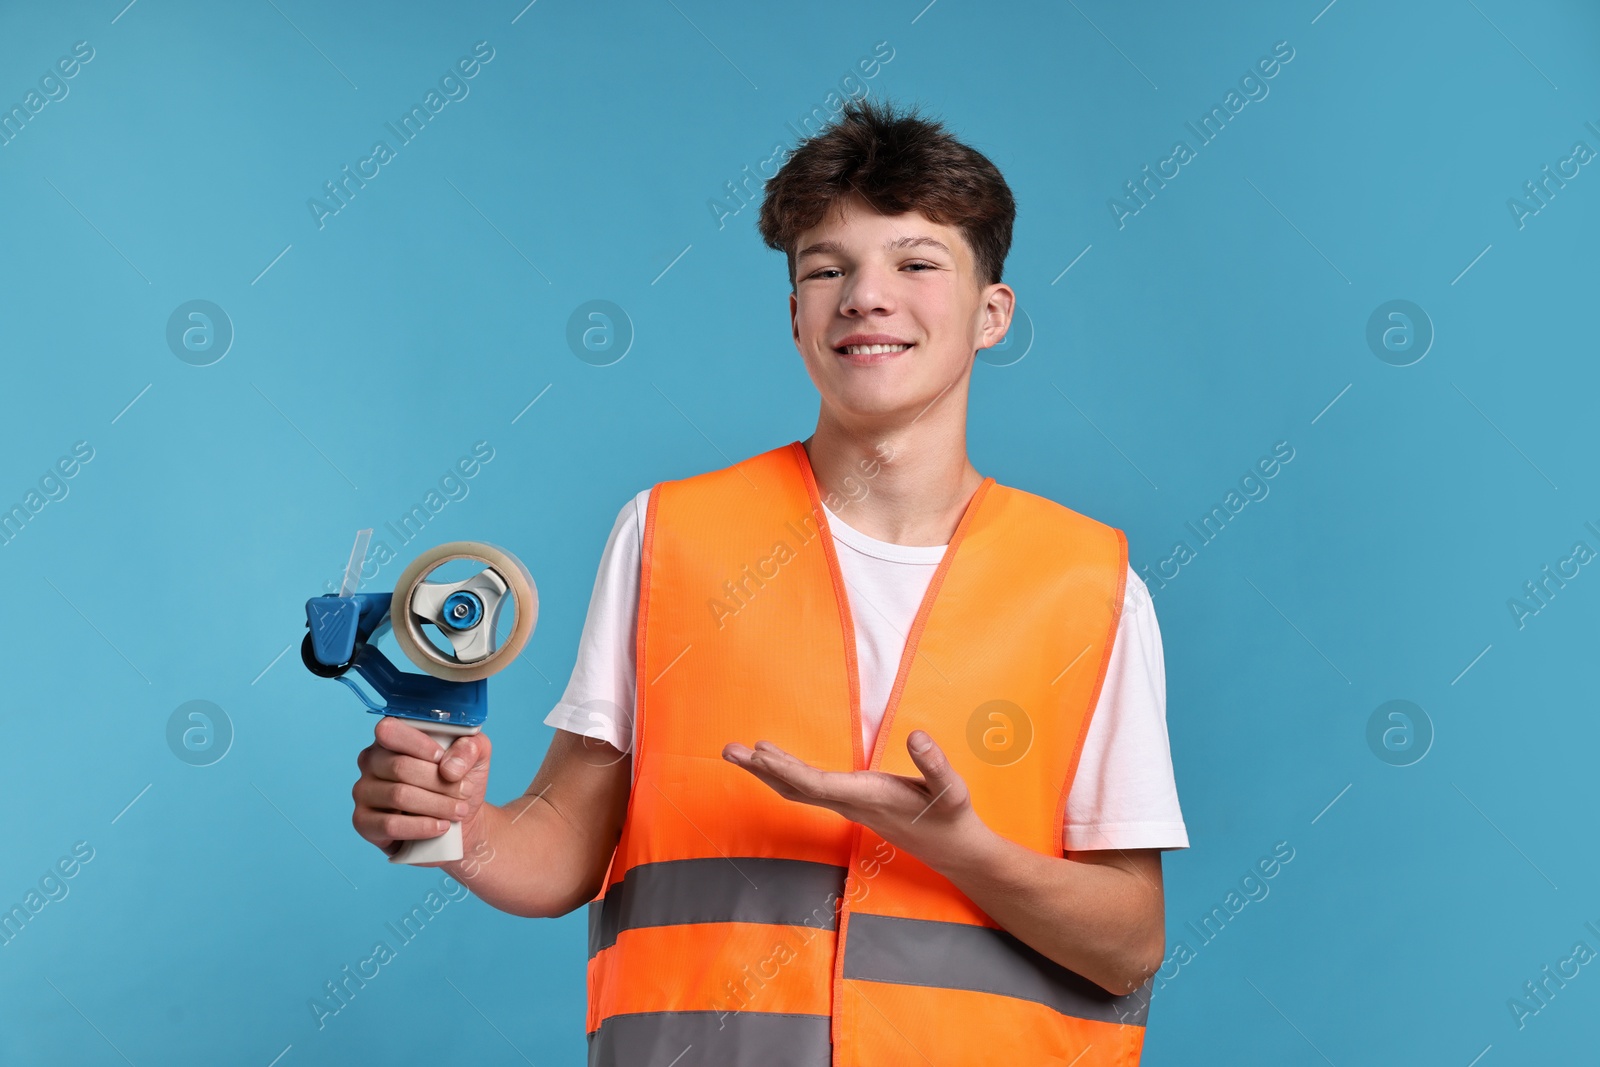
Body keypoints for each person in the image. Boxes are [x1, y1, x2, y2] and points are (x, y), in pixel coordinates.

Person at [351, 97, 1187, 1065]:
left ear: (990, 312)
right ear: (796, 316)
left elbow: (1128, 943)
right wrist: (449, 828)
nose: (866, 295)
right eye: (826, 269)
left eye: (916, 262)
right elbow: (557, 850)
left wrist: (958, 845)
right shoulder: (670, 535)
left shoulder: (1087, 583)